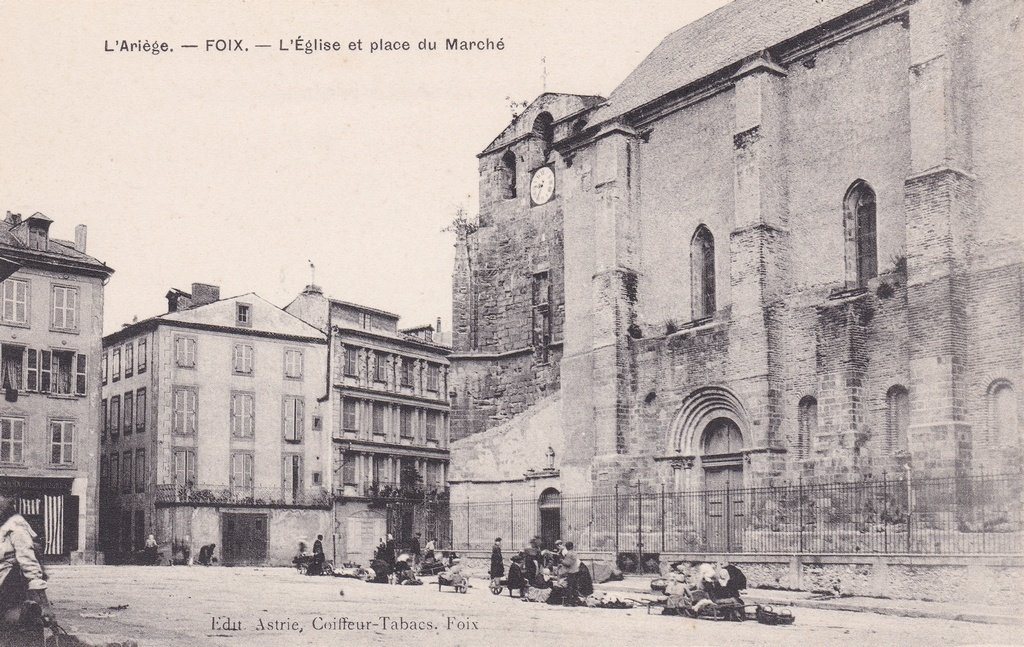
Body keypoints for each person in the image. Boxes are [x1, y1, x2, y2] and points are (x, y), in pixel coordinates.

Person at [0, 494, 54, 645]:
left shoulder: (16, 526)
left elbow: (29, 564)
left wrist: (44, 605)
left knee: (18, 624)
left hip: (11, 584)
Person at [559, 541, 581, 605]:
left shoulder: (569, 554)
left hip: (570, 572)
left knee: (569, 587)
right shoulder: (574, 553)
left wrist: (561, 561)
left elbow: (568, 564)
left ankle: (569, 601)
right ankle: (575, 601)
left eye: (567, 546)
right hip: (575, 571)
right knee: (574, 587)